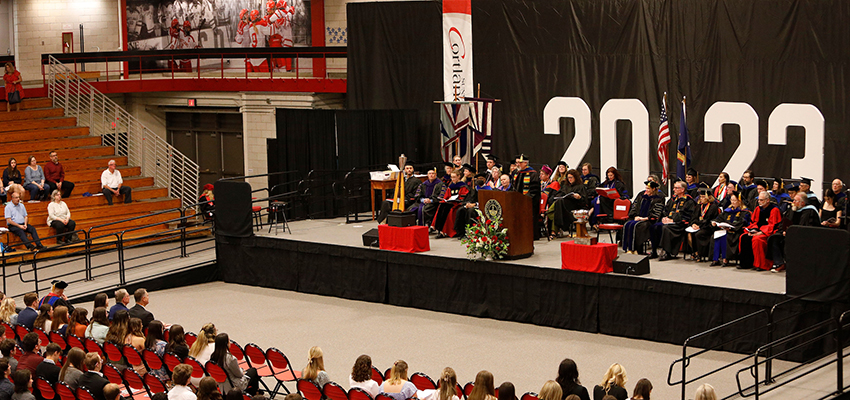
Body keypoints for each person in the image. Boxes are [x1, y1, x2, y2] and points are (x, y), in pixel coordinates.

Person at [767, 192, 821, 272]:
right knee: (774, 238)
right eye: (794, 200)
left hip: (803, 236)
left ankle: (794, 265)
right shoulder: (792, 209)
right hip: (790, 233)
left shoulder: (809, 211)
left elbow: (804, 227)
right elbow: (783, 222)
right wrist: (783, 231)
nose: (793, 202)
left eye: (796, 201)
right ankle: (779, 263)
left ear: (802, 203)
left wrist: (790, 232)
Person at [738, 192, 783, 271]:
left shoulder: (774, 209)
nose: (759, 202)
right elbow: (754, 222)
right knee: (744, 237)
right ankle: (746, 263)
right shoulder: (758, 209)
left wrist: (761, 232)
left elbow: (773, 225)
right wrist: (752, 230)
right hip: (758, 230)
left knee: (757, 239)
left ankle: (761, 265)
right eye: (759, 200)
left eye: (761, 200)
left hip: (769, 232)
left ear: (767, 200)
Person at [656, 181, 696, 261]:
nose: (674, 190)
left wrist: (673, 220)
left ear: (682, 189)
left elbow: (687, 215)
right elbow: (666, 210)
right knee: (656, 226)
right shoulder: (673, 199)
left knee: (666, 228)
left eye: (676, 188)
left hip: (681, 224)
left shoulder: (689, 201)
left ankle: (667, 252)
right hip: (670, 222)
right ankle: (655, 251)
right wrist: (665, 217)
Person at [621, 180, 664, 254]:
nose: (646, 190)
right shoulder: (642, 197)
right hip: (638, 218)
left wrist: (644, 218)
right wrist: (635, 216)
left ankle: (638, 249)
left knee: (638, 227)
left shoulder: (658, 199)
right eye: (646, 188)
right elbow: (634, 207)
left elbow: (656, 213)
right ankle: (629, 248)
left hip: (649, 221)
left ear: (653, 189)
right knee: (627, 224)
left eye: (648, 189)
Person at [710, 193, 750, 267]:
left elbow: (742, 223)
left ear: (740, 201)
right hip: (726, 230)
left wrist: (731, 228)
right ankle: (715, 259)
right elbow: (719, 218)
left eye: (735, 200)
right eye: (731, 200)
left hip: (736, 232)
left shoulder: (744, 212)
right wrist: (715, 222)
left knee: (726, 236)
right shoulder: (728, 210)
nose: (732, 202)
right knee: (715, 236)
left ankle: (726, 259)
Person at [432, 171, 471, 238]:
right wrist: (446, 200)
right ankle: (440, 230)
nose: (452, 179)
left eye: (454, 177)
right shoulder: (451, 186)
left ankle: (448, 231)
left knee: (450, 209)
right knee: (441, 206)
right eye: (451, 177)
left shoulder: (463, 186)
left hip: (458, 204)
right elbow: (446, 196)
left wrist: (456, 200)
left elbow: (463, 198)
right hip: (450, 202)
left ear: (458, 177)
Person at [550, 169, 588, 238]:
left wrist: (579, 197)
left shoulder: (580, 186)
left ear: (575, 177)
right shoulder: (565, 185)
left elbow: (584, 200)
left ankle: (556, 228)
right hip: (563, 204)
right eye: (568, 178)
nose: (569, 179)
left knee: (557, 205)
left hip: (574, 205)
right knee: (558, 202)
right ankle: (556, 226)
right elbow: (559, 193)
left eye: (571, 177)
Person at [686, 184, 720, 262]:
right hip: (699, 226)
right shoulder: (699, 206)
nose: (701, 199)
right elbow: (694, 217)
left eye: (703, 197)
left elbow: (708, 219)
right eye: (700, 197)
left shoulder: (713, 207)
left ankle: (701, 254)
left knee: (698, 234)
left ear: (708, 197)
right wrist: (693, 224)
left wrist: (700, 226)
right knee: (689, 233)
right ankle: (695, 252)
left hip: (708, 227)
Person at [512, 154, 542, 239]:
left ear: (525, 163)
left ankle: (532, 235)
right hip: (519, 201)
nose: (518, 164)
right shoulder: (518, 173)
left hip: (530, 202)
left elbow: (534, 190)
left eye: (520, 163)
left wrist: (526, 199)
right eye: (517, 163)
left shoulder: (533, 174)